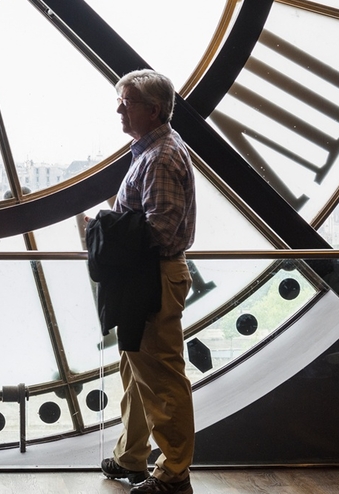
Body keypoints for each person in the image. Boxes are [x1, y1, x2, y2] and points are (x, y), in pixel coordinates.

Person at [99, 70, 197, 494]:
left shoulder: (156, 158)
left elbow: (156, 231)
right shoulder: (159, 153)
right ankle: (138, 459)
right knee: (146, 370)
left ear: (151, 110)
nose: (120, 109)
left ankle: (170, 472)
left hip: (149, 278)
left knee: (155, 376)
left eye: (127, 102)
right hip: (153, 278)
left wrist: (105, 226)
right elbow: (161, 228)